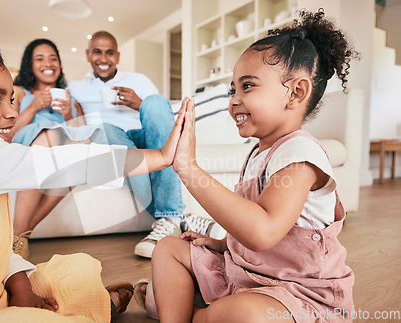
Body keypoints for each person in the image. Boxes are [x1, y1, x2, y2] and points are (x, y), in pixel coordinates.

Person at [0, 22, 187, 322]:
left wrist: (21, 286)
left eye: (10, 99)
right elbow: (70, 163)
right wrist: (163, 156)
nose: (10, 113)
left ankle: (85, 303)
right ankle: (98, 306)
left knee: (78, 268)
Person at [135, 9, 356, 322]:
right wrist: (223, 243)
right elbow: (248, 225)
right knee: (168, 248)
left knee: (240, 315)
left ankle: (189, 311)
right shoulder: (257, 153)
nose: (234, 99)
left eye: (248, 86)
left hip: (297, 292)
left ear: (296, 93)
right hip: (245, 274)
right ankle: (181, 312)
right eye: (232, 89)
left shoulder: (301, 154)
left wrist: (188, 168)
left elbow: (264, 231)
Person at [68, 31, 223, 258]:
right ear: (88, 55)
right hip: (113, 138)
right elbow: (74, 124)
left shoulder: (138, 80)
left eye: (109, 52)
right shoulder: (75, 87)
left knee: (155, 101)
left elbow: (160, 117)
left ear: (118, 56)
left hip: (144, 134)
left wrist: (138, 103)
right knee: (104, 129)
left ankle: (170, 218)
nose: (103, 58)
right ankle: (179, 217)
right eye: (97, 52)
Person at [11, 38, 96, 260]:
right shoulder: (19, 92)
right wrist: (34, 106)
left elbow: (82, 137)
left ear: (59, 64)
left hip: (59, 149)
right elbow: (8, 130)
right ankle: (20, 233)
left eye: (53, 58)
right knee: (49, 134)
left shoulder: (71, 99)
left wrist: (68, 114)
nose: (48, 63)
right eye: (40, 58)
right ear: (30, 64)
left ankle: (19, 234)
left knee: (80, 153)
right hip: (33, 142)